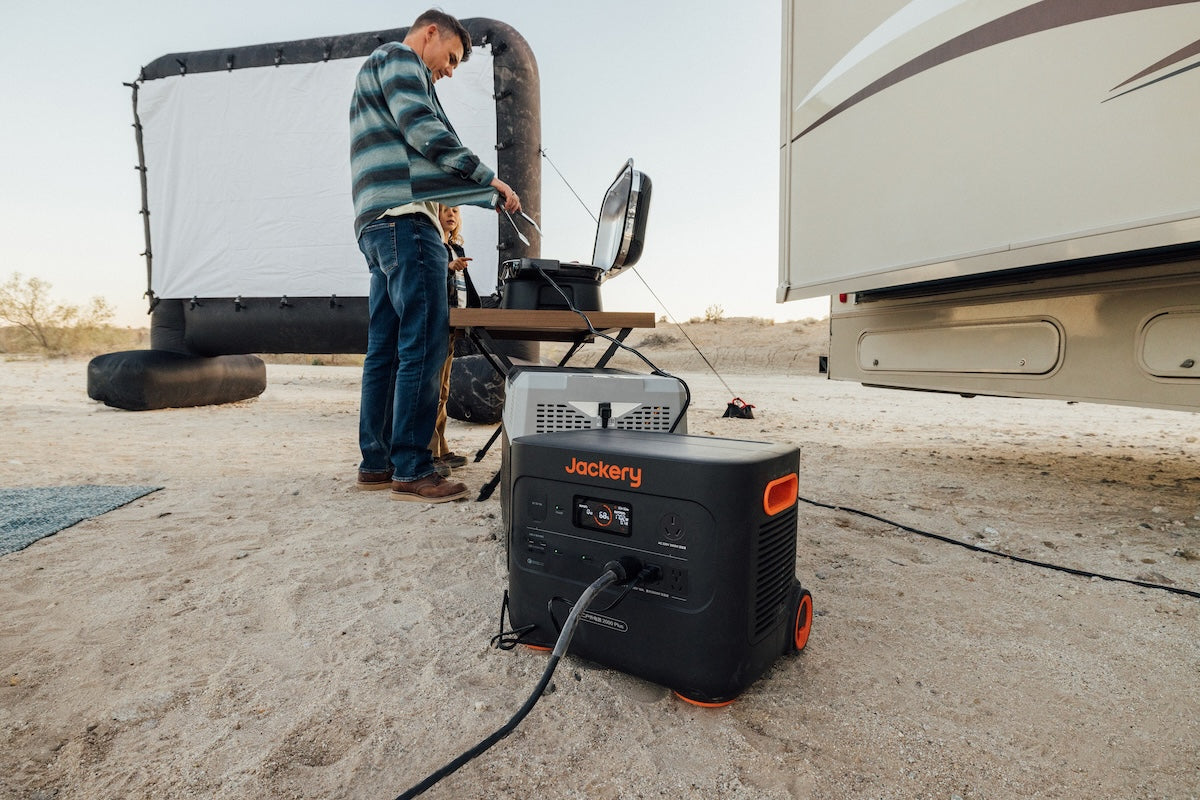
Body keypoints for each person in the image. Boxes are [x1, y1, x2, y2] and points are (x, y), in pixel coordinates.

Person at [350, 9, 521, 502]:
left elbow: (414, 157)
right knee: (425, 345)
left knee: (383, 349)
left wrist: (481, 194)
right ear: (430, 34)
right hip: (406, 223)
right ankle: (412, 467)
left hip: (376, 224)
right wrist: (484, 176)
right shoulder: (401, 58)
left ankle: (377, 462)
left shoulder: (376, 69)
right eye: (449, 59)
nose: (448, 71)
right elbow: (422, 127)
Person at [429, 204, 474, 476]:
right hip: (437, 321)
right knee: (433, 389)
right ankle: (430, 450)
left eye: (455, 211)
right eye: (444, 210)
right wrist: (448, 267)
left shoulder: (457, 248)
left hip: (452, 325)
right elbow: (431, 275)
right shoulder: (435, 248)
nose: (450, 214)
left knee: (443, 390)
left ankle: (441, 445)